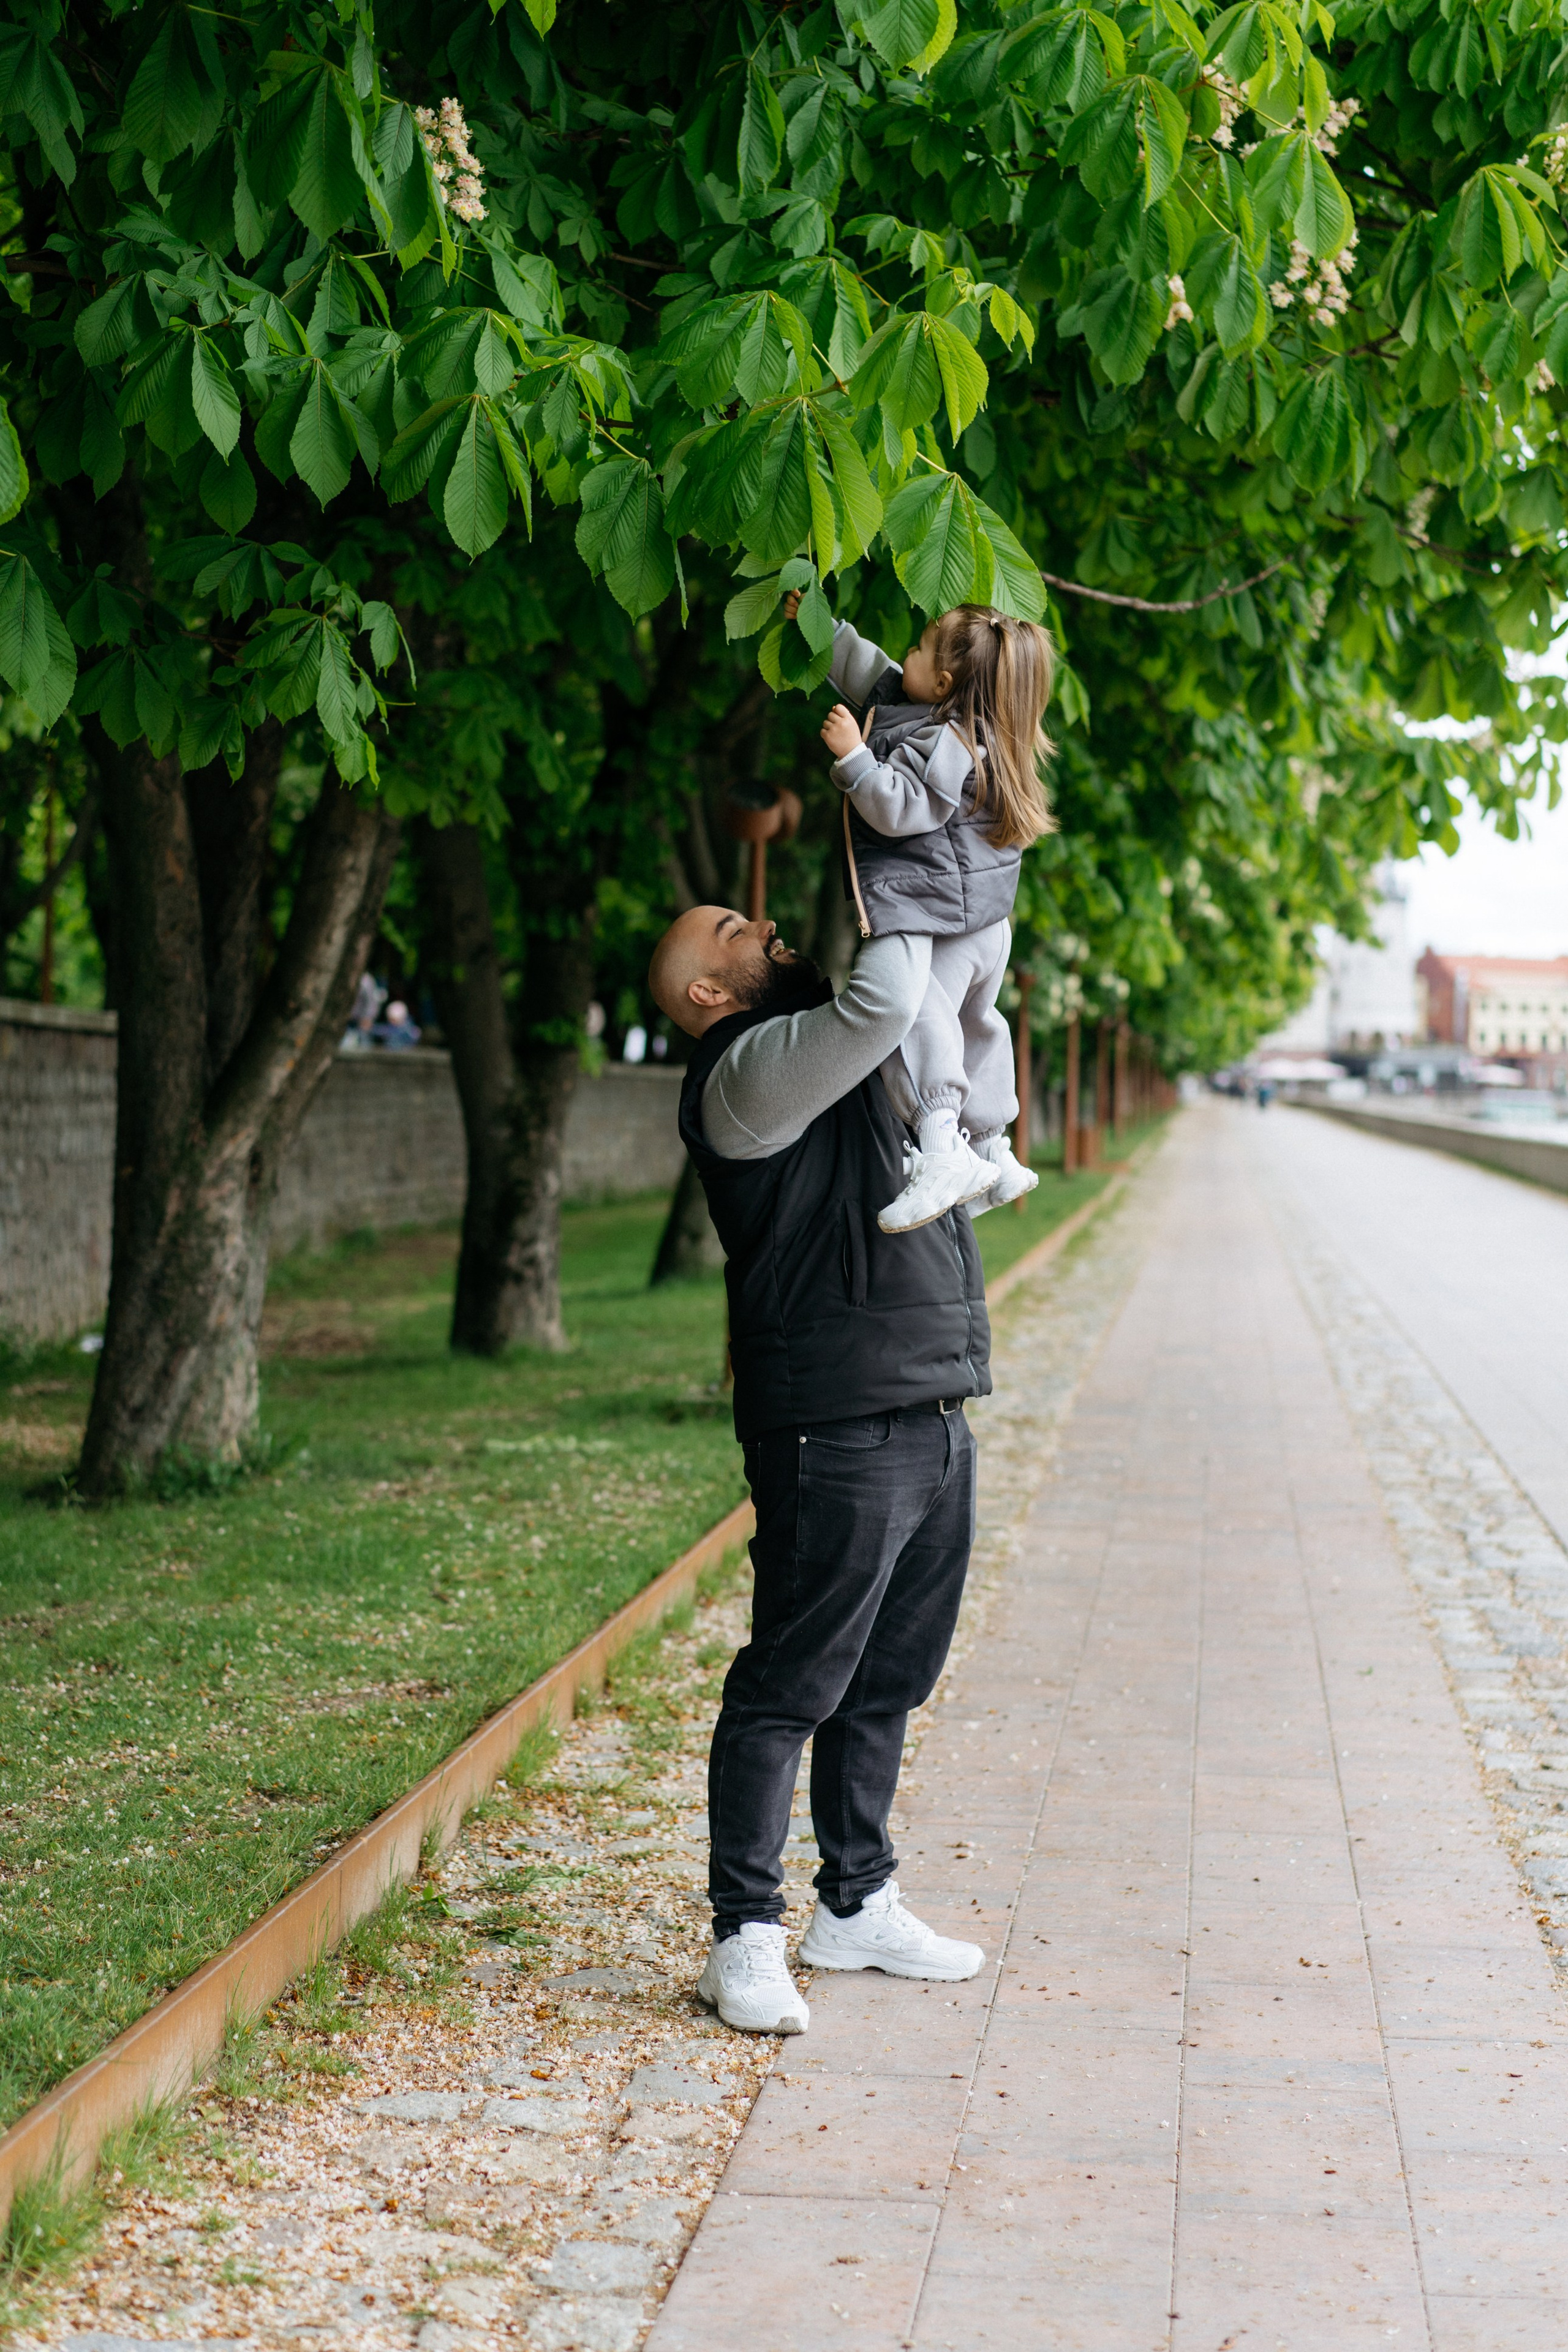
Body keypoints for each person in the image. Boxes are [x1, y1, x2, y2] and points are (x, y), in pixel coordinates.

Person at [649, 906, 992, 2036]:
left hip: (929, 1400)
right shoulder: (745, 1073)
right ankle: (743, 1935)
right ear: (708, 993)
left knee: (890, 1676)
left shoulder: (831, 1054)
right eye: (734, 931)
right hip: (834, 1421)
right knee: (791, 1683)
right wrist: (902, 881)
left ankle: (856, 1904)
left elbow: (936, 1004)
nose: (767, 925)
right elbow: (888, 995)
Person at [791, 597, 1056, 1235]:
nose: (903, 652)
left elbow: (903, 809)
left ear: (942, 683)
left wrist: (855, 758)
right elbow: (872, 670)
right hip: (985, 922)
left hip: (943, 920)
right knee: (977, 1025)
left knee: (919, 1018)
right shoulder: (972, 727)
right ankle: (993, 1148)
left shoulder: (945, 742)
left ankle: (940, 1150)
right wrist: (818, 626)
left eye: (918, 647)